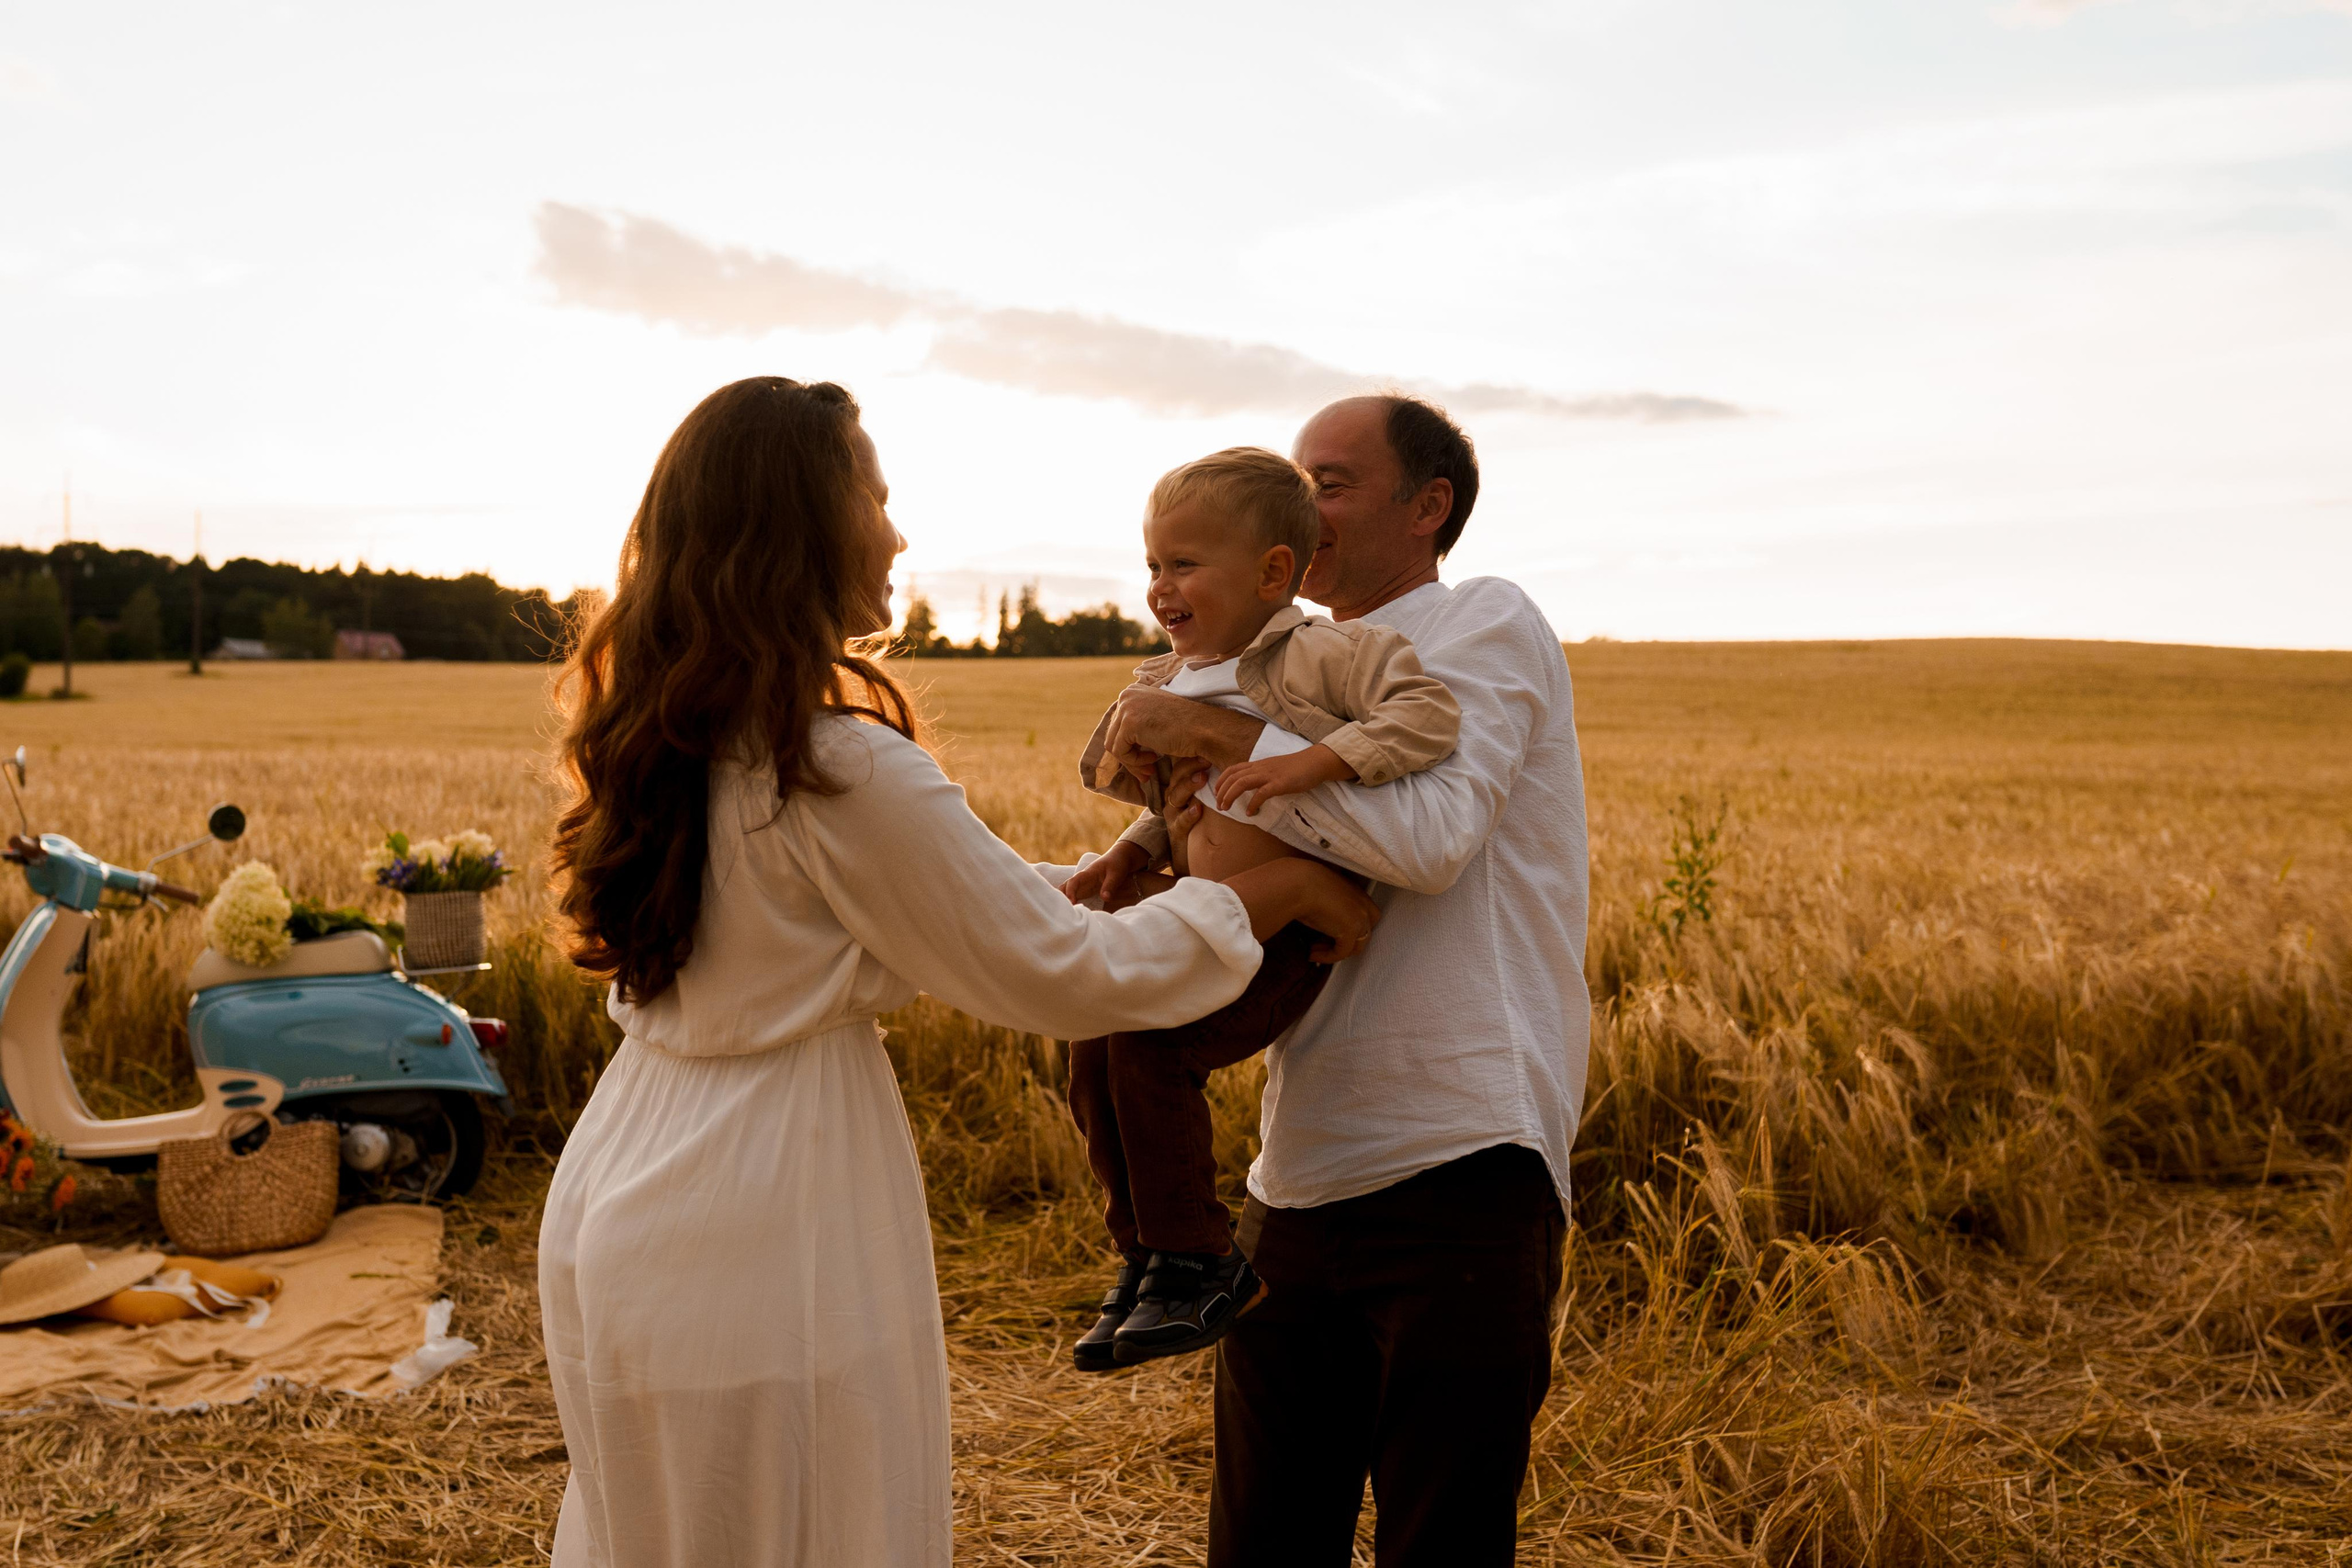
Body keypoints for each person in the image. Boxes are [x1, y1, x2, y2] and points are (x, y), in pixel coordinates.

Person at [536, 377, 1380, 1568]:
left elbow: (908, 903)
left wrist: (1102, 880)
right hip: (766, 1210)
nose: (896, 534)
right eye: (875, 499)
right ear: (804, 523)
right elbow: (1062, 975)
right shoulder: (832, 759)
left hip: (621, 1186)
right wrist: (1271, 894)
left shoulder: (674, 736)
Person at [1099, 395, 1589, 1566]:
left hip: (1462, 1156)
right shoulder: (1279, 667)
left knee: (1439, 1542)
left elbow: (1428, 840)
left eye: (1331, 481)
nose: (1300, 503)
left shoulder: (1476, 621)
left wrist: (1220, 740)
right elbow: (1223, 847)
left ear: (1429, 507)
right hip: (1297, 1172)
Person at [1056, 446, 1460, 1371]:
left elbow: (1427, 717)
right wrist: (1135, 848)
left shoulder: (1326, 655)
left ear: (1274, 572)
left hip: (1280, 934)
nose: (1161, 586)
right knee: (1093, 1035)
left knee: (1154, 1051)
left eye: (1184, 563)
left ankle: (1200, 1262)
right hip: (1204, 911)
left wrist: (1309, 760)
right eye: (1152, 564)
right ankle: (1148, 1254)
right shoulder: (1170, 677)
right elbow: (1190, 802)